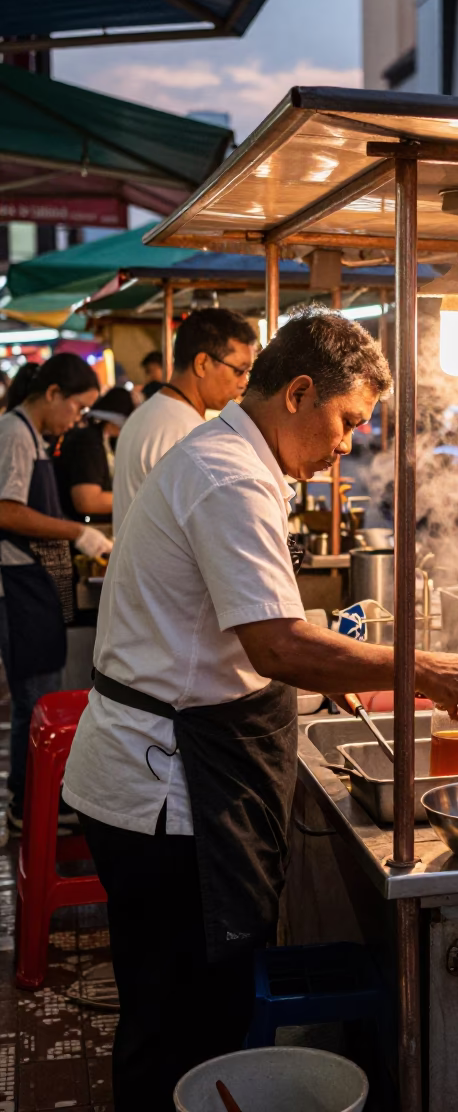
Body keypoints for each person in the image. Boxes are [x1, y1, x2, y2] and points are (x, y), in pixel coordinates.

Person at [63, 308, 458, 1111]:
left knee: (179, 1014)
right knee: (178, 1021)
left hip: (166, 770)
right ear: (298, 392)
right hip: (164, 791)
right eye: (349, 420)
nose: (349, 444)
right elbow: (277, 648)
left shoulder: (228, 457)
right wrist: (417, 668)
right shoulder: (229, 474)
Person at [0, 354, 113, 833]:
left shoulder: (34, 435)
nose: (77, 419)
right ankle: (28, 805)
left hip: (36, 582)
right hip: (20, 581)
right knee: (33, 700)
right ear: (52, 395)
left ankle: (37, 799)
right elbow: (6, 511)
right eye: (77, 408)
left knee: (39, 694)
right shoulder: (13, 432)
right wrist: (76, 532)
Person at [112, 310, 258, 531]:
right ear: (202, 363)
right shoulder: (188, 434)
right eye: (239, 371)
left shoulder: (149, 412)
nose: (243, 383)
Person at [54, 386, 135, 523]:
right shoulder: (88, 442)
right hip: (81, 529)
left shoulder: (102, 439)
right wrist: (135, 499)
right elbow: (88, 501)